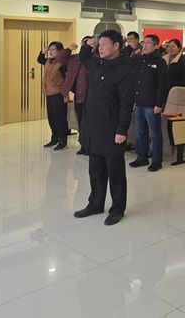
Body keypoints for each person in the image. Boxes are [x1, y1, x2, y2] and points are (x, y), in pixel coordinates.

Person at [74, 30, 136, 225]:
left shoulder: (124, 70)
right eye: (99, 45)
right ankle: (95, 203)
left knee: (115, 172)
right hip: (94, 127)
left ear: (116, 46)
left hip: (112, 129)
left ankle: (117, 209)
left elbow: (126, 103)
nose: (100, 48)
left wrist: (122, 130)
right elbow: (83, 57)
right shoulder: (96, 64)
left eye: (104, 45)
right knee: (95, 170)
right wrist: (88, 44)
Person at [130, 34, 168, 172]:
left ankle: (157, 161)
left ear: (156, 46)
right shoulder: (139, 60)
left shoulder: (160, 62)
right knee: (140, 132)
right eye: (143, 43)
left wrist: (159, 103)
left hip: (152, 104)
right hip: (139, 102)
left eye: (148, 43)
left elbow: (163, 85)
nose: (144, 46)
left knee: (154, 134)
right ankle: (142, 157)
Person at [59, 36, 92, 154]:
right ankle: (84, 145)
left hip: (92, 98)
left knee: (91, 123)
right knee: (81, 123)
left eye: (89, 43)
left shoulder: (96, 58)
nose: (86, 46)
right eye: (84, 43)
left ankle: (91, 146)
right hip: (79, 97)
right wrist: (68, 49)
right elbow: (61, 59)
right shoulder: (75, 58)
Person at [37, 41, 69, 150]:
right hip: (49, 93)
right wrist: (43, 51)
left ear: (60, 51)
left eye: (53, 49)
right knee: (52, 118)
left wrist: (66, 95)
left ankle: (63, 141)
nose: (50, 51)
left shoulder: (62, 63)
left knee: (60, 118)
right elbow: (40, 59)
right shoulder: (48, 61)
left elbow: (67, 80)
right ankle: (54, 138)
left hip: (58, 94)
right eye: (49, 49)